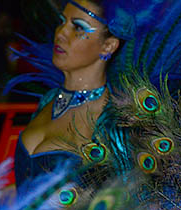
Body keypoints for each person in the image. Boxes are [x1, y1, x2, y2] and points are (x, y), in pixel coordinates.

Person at [13, 0, 119, 190]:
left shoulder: (111, 121)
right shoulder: (49, 99)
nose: (61, 33)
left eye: (78, 27)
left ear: (108, 46)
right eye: (62, 21)